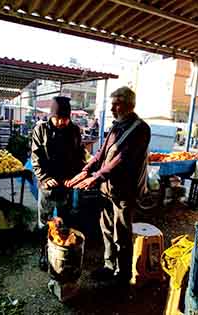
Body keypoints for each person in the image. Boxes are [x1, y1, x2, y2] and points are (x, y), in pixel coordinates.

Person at [67, 86, 150, 287]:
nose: (112, 109)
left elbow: (122, 159)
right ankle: (109, 266)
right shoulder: (117, 126)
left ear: (129, 105)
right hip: (108, 189)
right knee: (106, 229)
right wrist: (86, 170)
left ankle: (123, 275)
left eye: (116, 104)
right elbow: (102, 154)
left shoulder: (140, 129)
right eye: (112, 105)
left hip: (125, 192)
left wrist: (96, 177)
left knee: (122, 233)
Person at [31, 96, 86, 271]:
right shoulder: (41, 129)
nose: (61, 122)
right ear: (51, 116)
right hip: (47, 185)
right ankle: (43, 253)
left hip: (67, 184)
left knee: (65, 220)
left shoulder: (75, 130)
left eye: (65, 118)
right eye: (57, 118)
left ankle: (62, 251)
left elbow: (79, 156)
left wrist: (76, 176)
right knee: (45, 221)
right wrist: (44, 178)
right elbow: (35, 158)